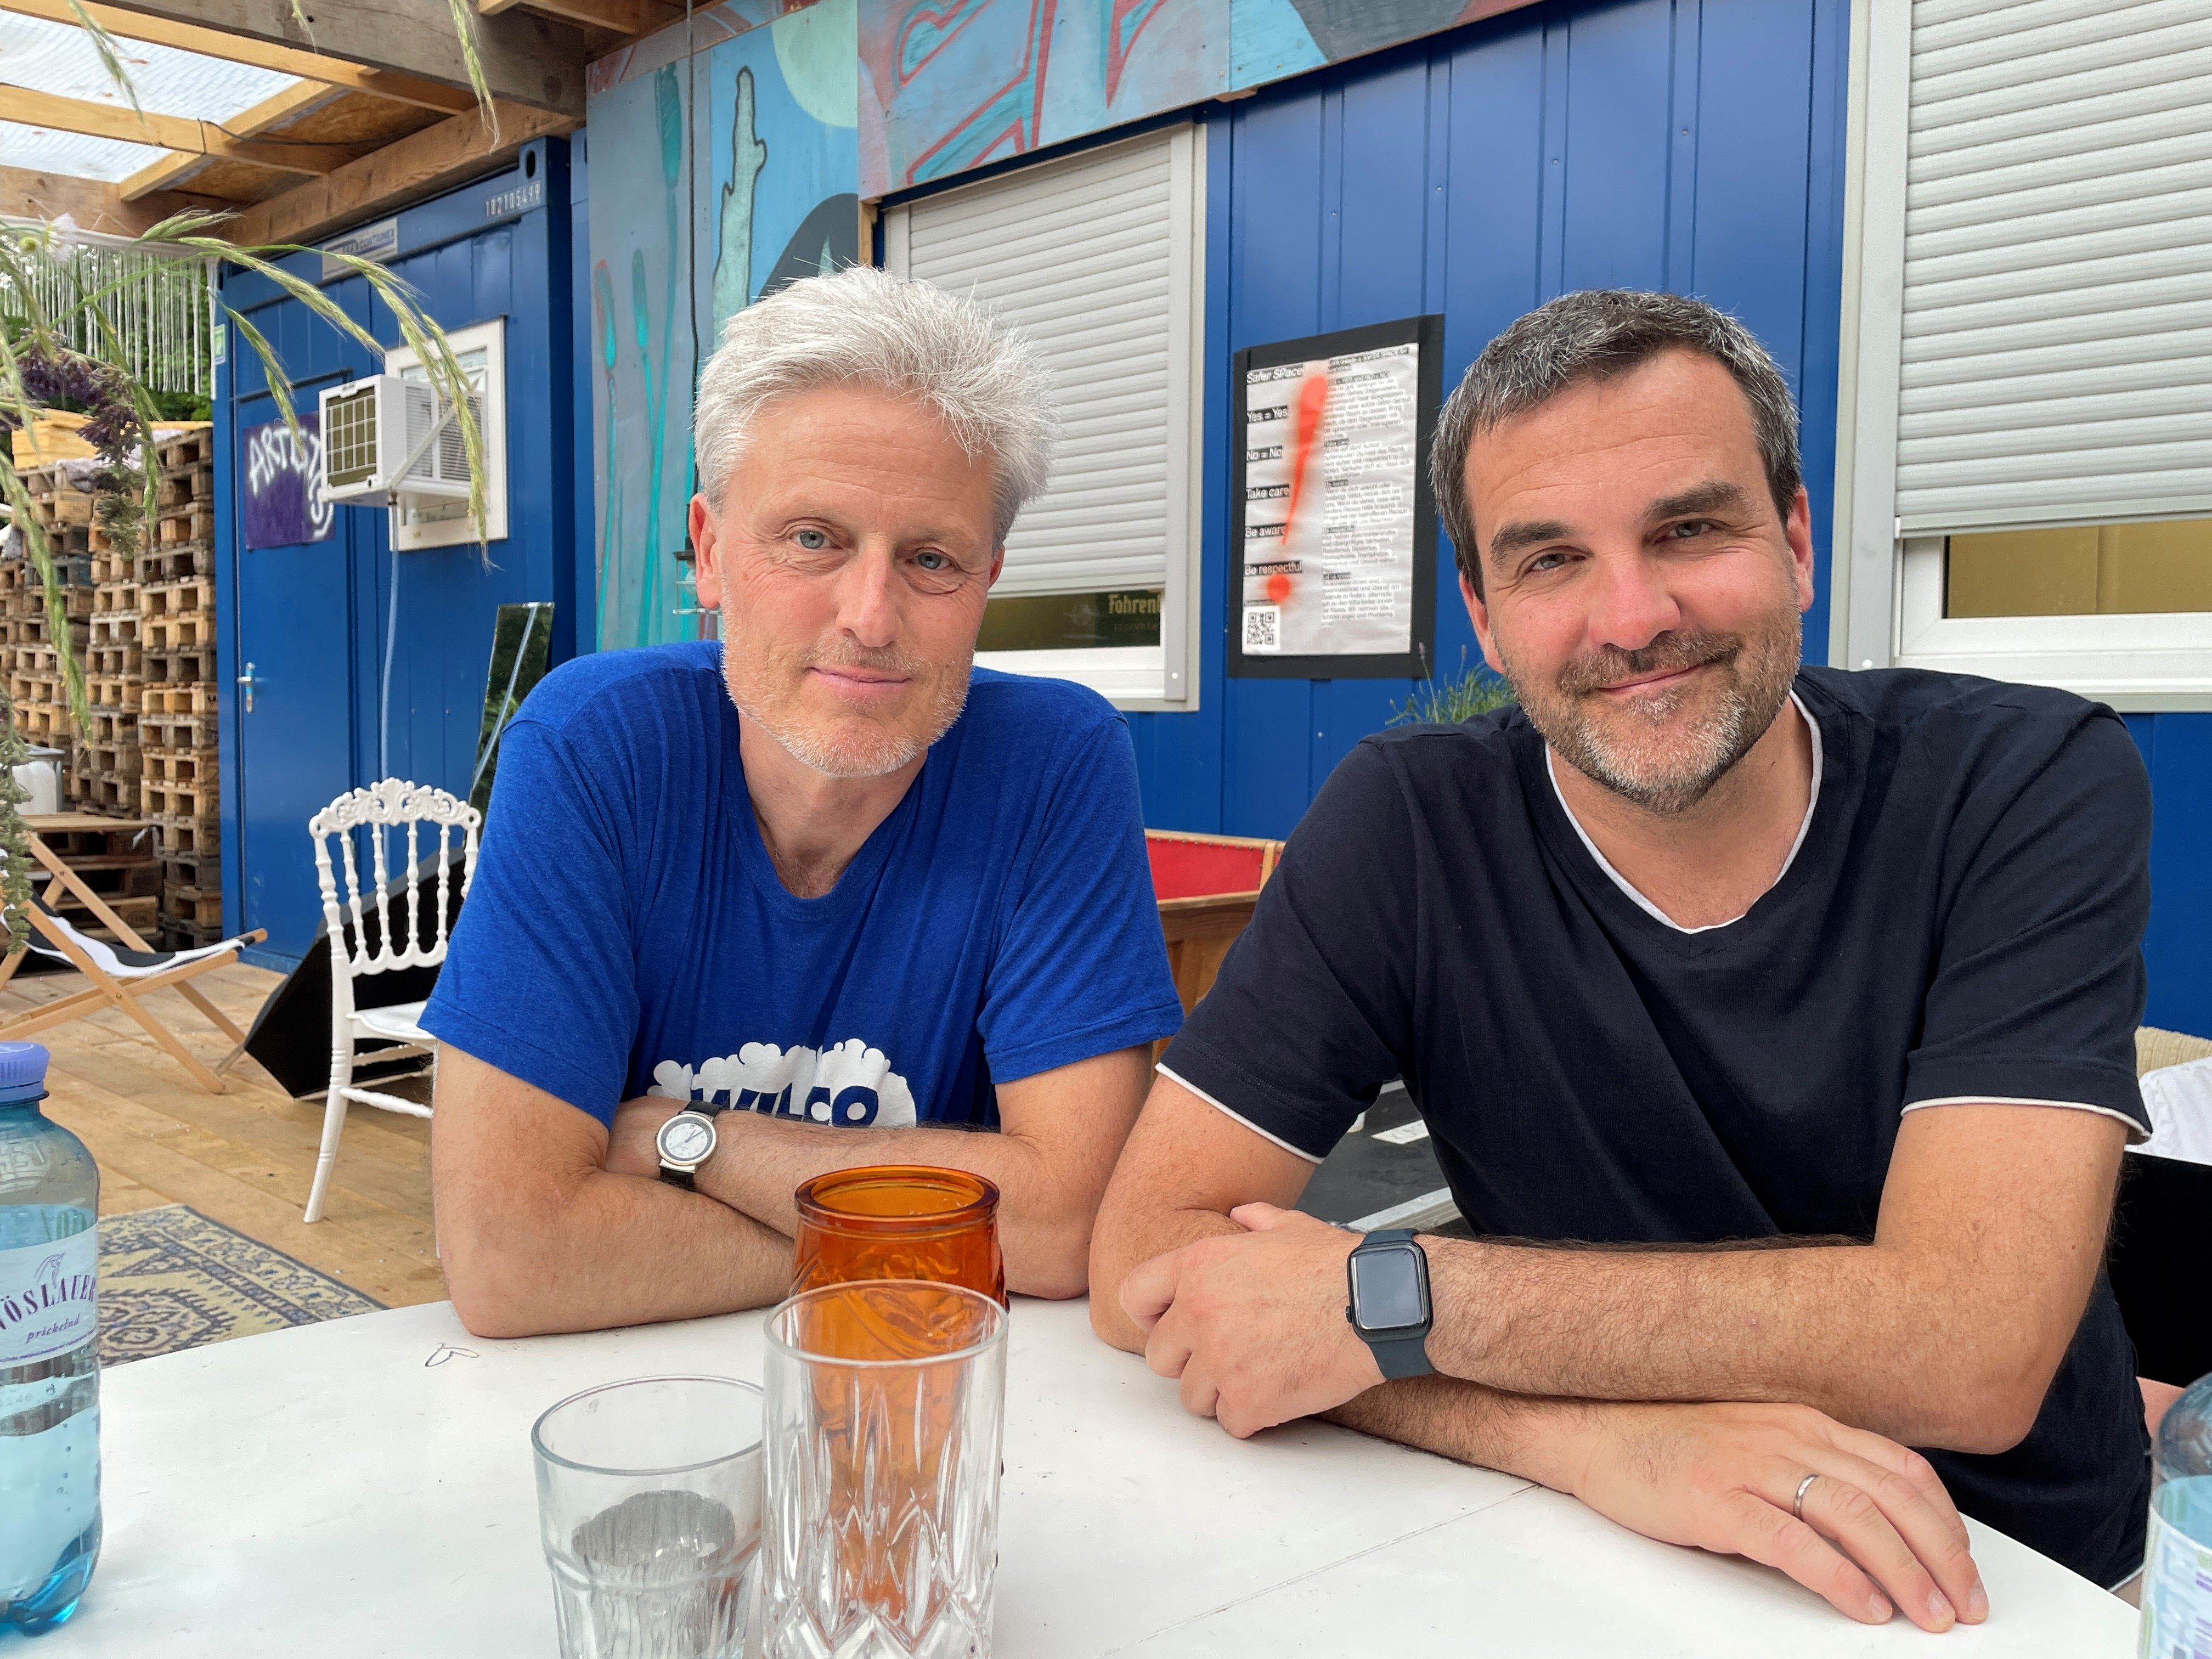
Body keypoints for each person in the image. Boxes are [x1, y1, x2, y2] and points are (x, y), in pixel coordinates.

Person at [1090, 290, 2153, 1630]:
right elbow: (1146, 1261)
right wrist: (1589, 1442)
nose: (1634, 615)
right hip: (1573, 1548)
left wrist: (1391, 1294)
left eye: (1690, 529)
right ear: (1483, 617)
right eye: (1549, 561)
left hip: (2009, 1577)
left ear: (1800, 539)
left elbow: (1971, 1347)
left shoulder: (2018, 781)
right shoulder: (1410, 827)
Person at [426, 266, 1184, 1337]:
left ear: (988, 582)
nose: (871, 617)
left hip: (925, 1407)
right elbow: (514, 1257)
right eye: (813, 539)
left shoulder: (1053, 761)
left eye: (931, 559)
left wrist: (690, 1144)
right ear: (711, 550)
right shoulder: (593, 748)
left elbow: (1071, 1224)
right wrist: (933, 1227)